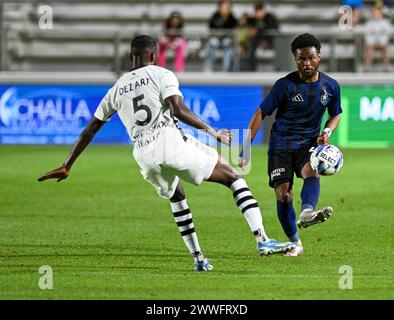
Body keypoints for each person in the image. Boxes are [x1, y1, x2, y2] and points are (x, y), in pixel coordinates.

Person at [38, 35, 295, 271]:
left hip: (143, 156)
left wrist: (67, 164)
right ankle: (263, 240)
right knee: (234, 177)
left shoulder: (115, 89)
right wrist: (212, 132)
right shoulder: (161, 74)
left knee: (177, 196)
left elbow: (89, 130)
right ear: (153, 56)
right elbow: (178, 109)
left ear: (131, 58)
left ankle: (199, 259)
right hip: (168, 143)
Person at [239, 33, 342, 256]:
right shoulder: (284, 86)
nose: (307, 63)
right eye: (301, 59)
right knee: (284, 194)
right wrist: (246, 146)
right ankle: (295, 242)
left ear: (319, 57)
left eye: (311, 58)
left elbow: (336, 114)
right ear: (295, 59)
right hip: (281, 146)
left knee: (311, 173)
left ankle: (307, 213)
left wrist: (327, 131)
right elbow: (261, 113)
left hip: (308, 145)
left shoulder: (331, 87)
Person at [243, 2, 279, 71]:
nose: (258, 13)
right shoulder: (253, 20)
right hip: (256, 43)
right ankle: (251, 69)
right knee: (250, 48)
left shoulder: (270, 18)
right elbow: (246, 24)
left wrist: (258, 31)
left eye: (260, 10)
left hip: (270, 42)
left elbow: (273, 29)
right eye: (256, 10)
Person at [204, 0, 238, 72]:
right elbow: (211, 29)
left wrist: (225, 35)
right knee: (213, 43)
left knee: (227, 44)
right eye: (224, 8)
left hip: (227, 40)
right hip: (216, 39)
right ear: (219, 8)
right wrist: (216, 34)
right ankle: (209, 68)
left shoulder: (232, 18)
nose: (225, 10)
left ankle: (226, 69)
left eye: (227, 8)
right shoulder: (214, 17)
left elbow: (233, 31)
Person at [363, 2, 391, 72]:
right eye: (375, 12)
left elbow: (387, 35)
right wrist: (372, 43)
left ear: (380, 13)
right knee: (369, 49)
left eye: (377, 12)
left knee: (385, 48)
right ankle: (366, 69)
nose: (376, 14)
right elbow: (367, 35)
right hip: (371, 44)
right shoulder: (369, 23)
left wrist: (381, 42)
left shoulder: (386, 23)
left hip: (382, 44)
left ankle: (386, 68)